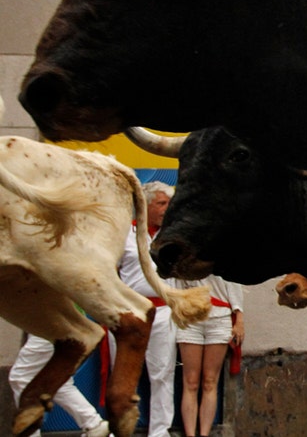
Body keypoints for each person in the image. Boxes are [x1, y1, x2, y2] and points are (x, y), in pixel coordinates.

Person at [116, 181, 179, 437]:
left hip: (163, 312)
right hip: (129, 312)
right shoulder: (124, 234)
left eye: (168, 204)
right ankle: (117, 428)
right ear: (145, 204)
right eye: (161, 203)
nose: (166, 209)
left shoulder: (173, 235)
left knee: (163, 373)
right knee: (122, 374)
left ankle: (160, 432)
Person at [174, 274, 244, 437]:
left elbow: (234, 283)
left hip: (219, 318)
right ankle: (190, 434)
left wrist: (239, 318)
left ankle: (205, 434)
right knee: (190, 381)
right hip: (191, 317)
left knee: (210, 380)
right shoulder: (185, 251)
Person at [9, 335, 110, 437]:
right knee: (57, 380)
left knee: (22, 378)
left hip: (50, 325)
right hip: (53, 325)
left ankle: (30, 434)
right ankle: (94, 425)